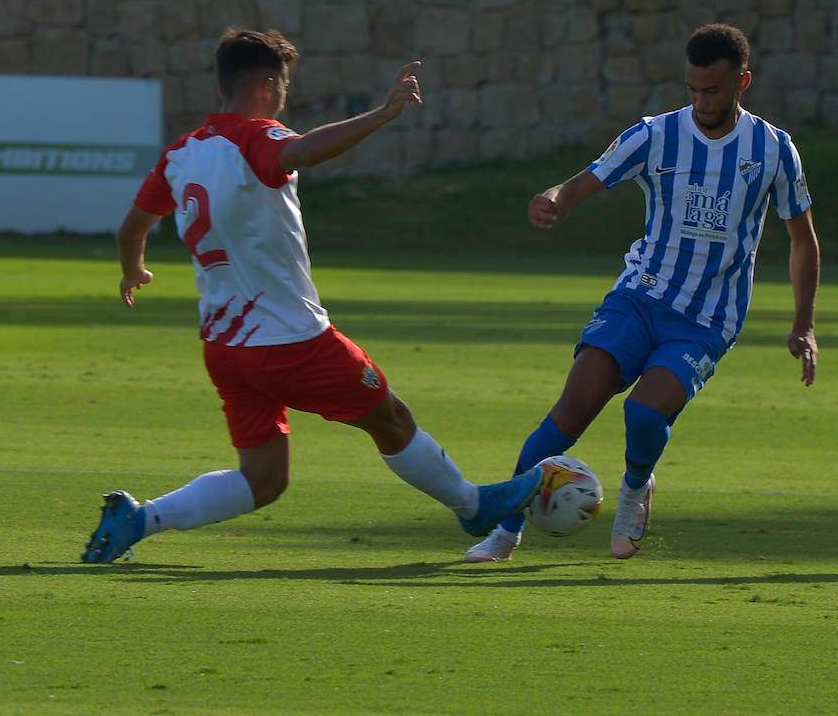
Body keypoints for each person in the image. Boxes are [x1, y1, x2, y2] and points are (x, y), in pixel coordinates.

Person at [81, 28, 541, 563]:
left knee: (264, 479)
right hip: (291, 339)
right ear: (267, 83)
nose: (284, 95)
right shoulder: (257, 137)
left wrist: (132, 270)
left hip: (225, 348)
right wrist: (384, 113)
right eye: (284, 83)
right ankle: (472, 507)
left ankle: (139, 519)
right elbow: (304, 149)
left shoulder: (182, 154)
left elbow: (132, 227)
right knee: (389, 418)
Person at [465, 23, 821, 562]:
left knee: (645, 415)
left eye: (714, 91)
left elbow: (803, 240)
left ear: (742, 82)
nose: (701, 102)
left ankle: (635, 489)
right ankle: (506, 531)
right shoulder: (655, 135)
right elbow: (584, 181)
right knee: (570, 413)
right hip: (638, 298)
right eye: (693, 89)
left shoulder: (773, 149)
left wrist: (804, 324)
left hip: (707, 320)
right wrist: (555, 200)